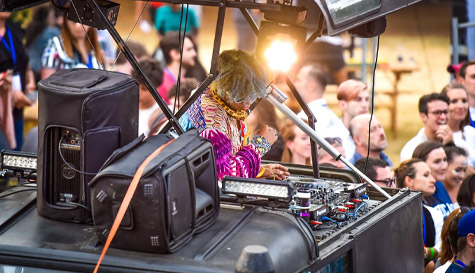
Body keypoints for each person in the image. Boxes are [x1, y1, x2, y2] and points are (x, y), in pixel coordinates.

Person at [179, 49, 289, 181]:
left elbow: (224, 163)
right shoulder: (212, 123)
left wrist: (258, 170)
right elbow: (224, 177)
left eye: (252, 95)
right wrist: (259, 145)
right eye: (240, 97)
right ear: (224, 88)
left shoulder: (216, 97)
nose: (247, 103)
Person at [394, 158, 444, 267]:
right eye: (426, 175)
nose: (433, 180)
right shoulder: (392, 214)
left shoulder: (433, 213)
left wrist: (428, 252)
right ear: (409, 181)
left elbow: (442, 246)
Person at [0, 12, 36, 150]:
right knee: (4, 162)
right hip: (2, 110)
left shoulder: (14, 30)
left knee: (16, 159)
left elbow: (26, 66)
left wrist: (30, 81)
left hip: (16, 110)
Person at [41, 14, 105, 79]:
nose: (78, 25)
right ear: (66, 21)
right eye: (74, 21)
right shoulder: (55, 44)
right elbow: (46, 85)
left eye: (83, 20)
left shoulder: (98, 44)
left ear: (91, 20)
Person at [400, 93, 452, 162]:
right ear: (423, 116)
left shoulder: (456, 142)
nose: (443, 117)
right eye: (437, 112)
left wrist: (451, 146)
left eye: (446, 112)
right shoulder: (412, 150)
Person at [328, 79, 369, 160]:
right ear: (342, 105)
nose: (364, 105)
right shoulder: (330, 136)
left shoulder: (374, 132)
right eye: (358, 99)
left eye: (367, 99)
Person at [413, 141, 455, 219]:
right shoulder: (417, 195)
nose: (444, 166)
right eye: (437, 161)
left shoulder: (439, 184)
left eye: (445, 160)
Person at [294, 64, 340, 133]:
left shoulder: (305, 117)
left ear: (311, 86)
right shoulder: (332, 116)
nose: (295, 84)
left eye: (298, 80)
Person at [156, 32, 197, 105]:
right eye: (189, 49)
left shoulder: (181, 80)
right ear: (174, 54)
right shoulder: (163, 85)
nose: (194, 53)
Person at [441, 83, 475, 167]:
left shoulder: (471, 132)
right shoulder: (439, 134)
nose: (460, 106)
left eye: (464, 101)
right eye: (454, 101)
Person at [131, 58, 163, 136]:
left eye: (144, 89)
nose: (139, 92)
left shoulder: (160, 114)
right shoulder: (125, 104)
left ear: (157, 88)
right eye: (136, 85)